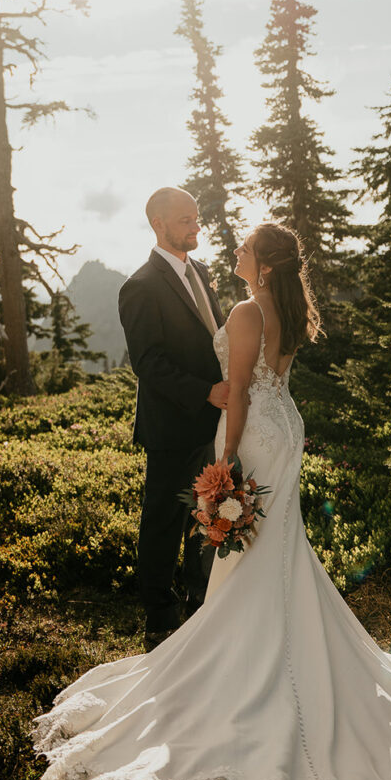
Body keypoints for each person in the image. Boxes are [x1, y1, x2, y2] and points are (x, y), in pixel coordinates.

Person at [33, 222, 391, 780]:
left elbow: (243, 392)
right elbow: (270, 384)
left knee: (255, 546)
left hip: (253, 433)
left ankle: (254, 662)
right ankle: (278, 646)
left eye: (245, 249)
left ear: (266, 265)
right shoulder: (281, 310)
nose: (235, 251)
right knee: (276, 545)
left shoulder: (246, 313)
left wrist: (224, 460)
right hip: (285, 430)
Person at [117, 186, 228, 649]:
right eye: (185, 219)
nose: (195, 225)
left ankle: (201, 602)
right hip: (172, 426)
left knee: (207, 516)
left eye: (196, 217)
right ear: (158, 224)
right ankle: (160, 619)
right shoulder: (139, 286)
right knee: (163, 522)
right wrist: (206, 391)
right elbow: (148, 363)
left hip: (213, 423)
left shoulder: (201, 271)